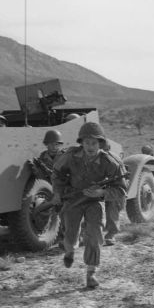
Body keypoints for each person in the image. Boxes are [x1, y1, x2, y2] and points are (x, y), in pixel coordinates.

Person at [52, 122, 128, 288]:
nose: (90, 146)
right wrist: (58, 192)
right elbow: (57, 174)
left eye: (94, 143)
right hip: (73, 200)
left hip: (94, 202)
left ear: (100, 143)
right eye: (87, 142)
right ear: (81, 143)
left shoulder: (110, 162)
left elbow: (121, 190)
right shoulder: (71, 156)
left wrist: (102, 193)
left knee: (94, 235)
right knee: (70, 232)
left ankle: (91, 273)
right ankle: (70, 251)